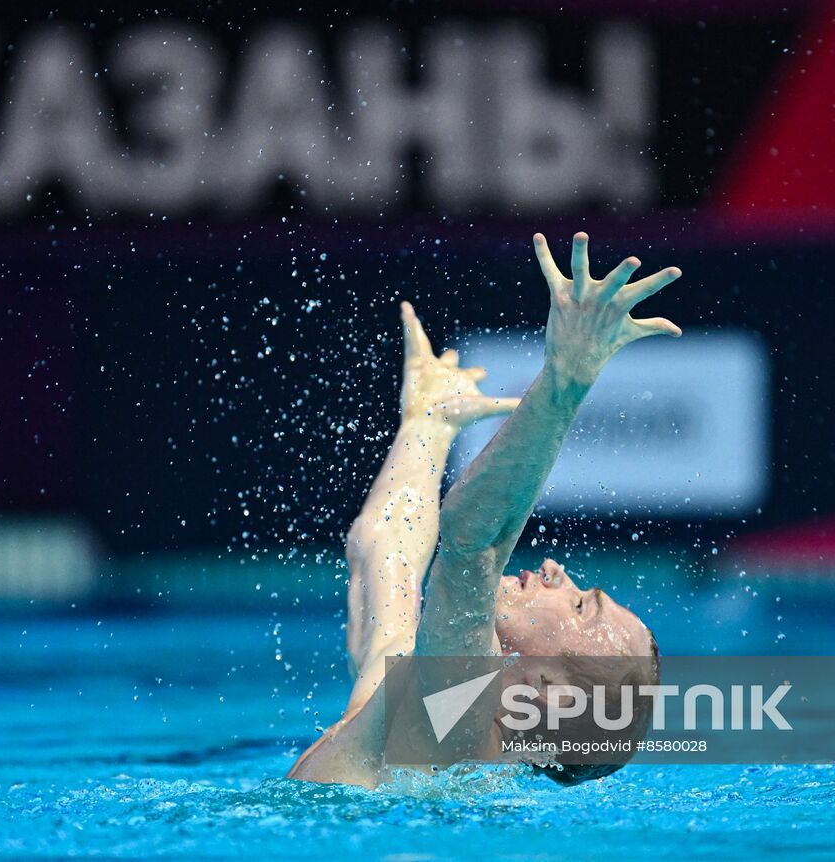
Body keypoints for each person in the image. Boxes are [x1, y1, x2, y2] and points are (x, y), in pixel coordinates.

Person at [288, 232, 683, 788]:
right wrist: (426, 427)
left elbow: (473, 543)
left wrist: (565, 382)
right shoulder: (423, 693)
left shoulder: (460, 720)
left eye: (580, 604)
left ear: (549, 692)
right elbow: (381, 556)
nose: (556, 572)